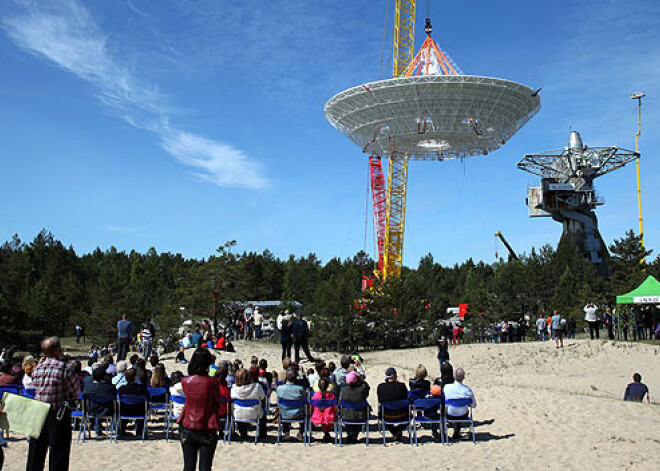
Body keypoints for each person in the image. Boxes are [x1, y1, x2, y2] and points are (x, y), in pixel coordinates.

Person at [26, 336, 80, 471]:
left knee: (35, 453)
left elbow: (34, 384)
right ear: (58, 350)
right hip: (57, 414)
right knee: (58, 455)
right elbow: (75, 390)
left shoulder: (37, 369)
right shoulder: (65, 368)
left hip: (38, 413)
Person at [178, 348, 223, 471]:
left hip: (187, 425)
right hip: (206, 426)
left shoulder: (185, 381)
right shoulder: (212, 382)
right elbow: (218, 403)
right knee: (205, 467)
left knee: (188, 466)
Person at [230, 368, 266, 441]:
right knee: (263, 412)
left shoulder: (233, 388)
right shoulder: (257, 386)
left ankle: (243, 434)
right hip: (254, 413)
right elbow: (263, 397)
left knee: (240, 409)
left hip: (237, 415)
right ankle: (262, 434)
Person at [443, 367, 477, 440]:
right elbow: (474, 405)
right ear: (463, 377)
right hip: (463, 415)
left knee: (451, 408)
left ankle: (446, 434)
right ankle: (456, 433)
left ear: (454, 376)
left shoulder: (447, 388)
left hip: (450, 414)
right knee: (459, 407)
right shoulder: (467, 390)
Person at [376, 367, 409, 442]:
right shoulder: (402, 386)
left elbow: (380, 400)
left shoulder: (381, 387)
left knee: (381, 414)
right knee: (410, 416)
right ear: (395, 376)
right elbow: (405, 398)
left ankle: (394, 432)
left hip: (387, 416)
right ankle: (397, 432)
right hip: (402, 415)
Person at [83, 366, 116, 438]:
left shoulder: (89, 388)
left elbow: (84, 397)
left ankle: (97, 429)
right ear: (104, 376)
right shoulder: (110, 387)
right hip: (108, 411)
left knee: (97, 405)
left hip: (92, 411)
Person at [338, 371, 370, 444]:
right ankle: (353, 436)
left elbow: (340, 403)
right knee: (358, 413)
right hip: (360, 416)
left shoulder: (343, 391)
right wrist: (361, 380)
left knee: (349, 415)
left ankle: (351, 436)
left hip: (346, 416)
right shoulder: (362, 389)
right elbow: (367, 388)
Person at [276, 368, 307, 438]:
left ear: (286, 377)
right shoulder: (300, 389)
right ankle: (301, 433)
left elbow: (278, 403)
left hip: (285, 414)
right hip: (298, 414)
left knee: (283, 407)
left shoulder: (280, 388)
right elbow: (305, 400)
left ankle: (286, 431)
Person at [117, 369, 148, 436]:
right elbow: (148, 398)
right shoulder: (142, 388)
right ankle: (139, 431)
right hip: (140, 412)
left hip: (125, 412)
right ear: (135, 377)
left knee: (122, 406)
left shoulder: (122, 389)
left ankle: (122, 430)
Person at [311, 377, 337, 442]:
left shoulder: (315, 395)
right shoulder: (331, 395)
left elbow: (312, 407)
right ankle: (326, 433)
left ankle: (326, 433)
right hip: (329, 417)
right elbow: (334, 408)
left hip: (317, 417)